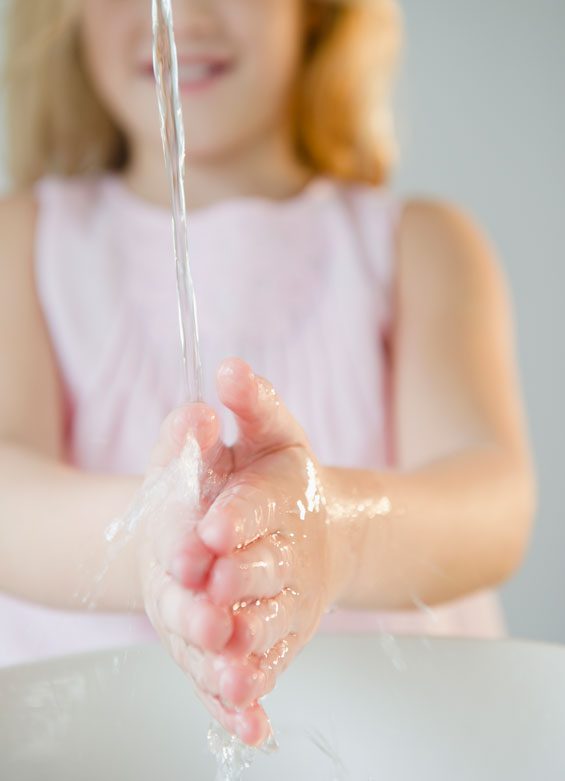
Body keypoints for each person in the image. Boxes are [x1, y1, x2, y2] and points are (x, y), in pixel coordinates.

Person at [0, 0, 535, 745]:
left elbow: (492, 500)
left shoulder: (420, 248)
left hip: (393, 746)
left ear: (317, 14)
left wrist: (334, 530)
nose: (184, 12)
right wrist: (148, 541)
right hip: (91, 743)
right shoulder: (24, 245)